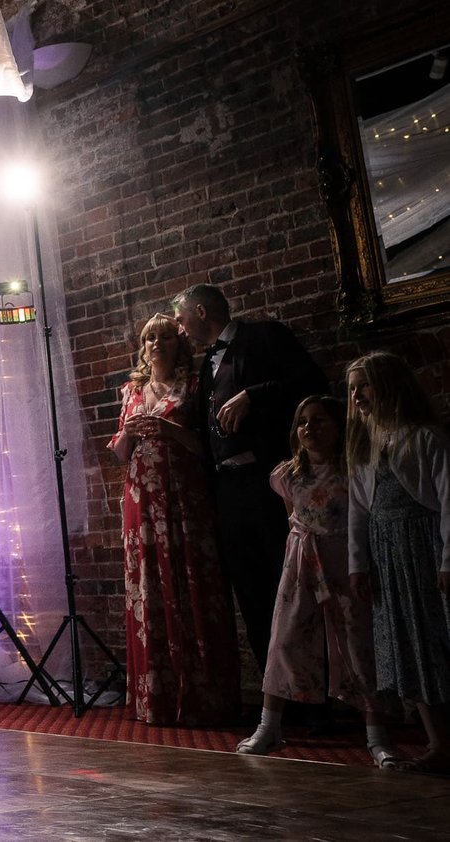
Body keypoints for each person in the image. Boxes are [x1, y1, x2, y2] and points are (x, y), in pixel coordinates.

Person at [235, 396, 396, 765]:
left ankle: (376, 735)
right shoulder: (288, 474)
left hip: (343, 558)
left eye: (320, 421)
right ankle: (270, 726)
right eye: (303, 422)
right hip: (301, 560)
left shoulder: (353, 469)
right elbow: (295, 519)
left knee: (358, 642)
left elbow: (359, 519)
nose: (310, 428)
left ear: (339, 426)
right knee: (286, 637)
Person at [174, 283, 326, 670]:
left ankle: (315, 697)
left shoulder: (265, 336)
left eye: (182, 316)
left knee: (288, 584)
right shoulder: (203, 366)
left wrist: (253, 395)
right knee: (250, 589)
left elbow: (312, 384)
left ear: (202, 312)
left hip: (268, 484)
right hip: (227, 490)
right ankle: (275, 694)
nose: (179, 326)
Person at [107, 313, 239, 727]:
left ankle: (203, 697)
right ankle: (156, 699)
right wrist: (128, 432)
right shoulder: (132, 389)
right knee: (148, 587)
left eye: (165, 337)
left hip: (183, 496)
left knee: (190, 583)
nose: (157, 344)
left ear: (178, 344)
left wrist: (168, 429)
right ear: (142, 348)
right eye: (150, 339)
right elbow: (118, 451)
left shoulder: (194, 385)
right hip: (140, 499)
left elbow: (207, 445)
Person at [346, 352, 450, 773]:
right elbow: (358, 511)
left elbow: (447, 502)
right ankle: (438, 740)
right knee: (409, 643)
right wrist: (359, 564)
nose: (357, 396)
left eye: (365, 386)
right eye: (352, 389)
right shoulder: (365, 446)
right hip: (387, 553)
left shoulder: (426, 438)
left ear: (390, 386)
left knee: (437, 637)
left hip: (424, 548)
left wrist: (447, 560)